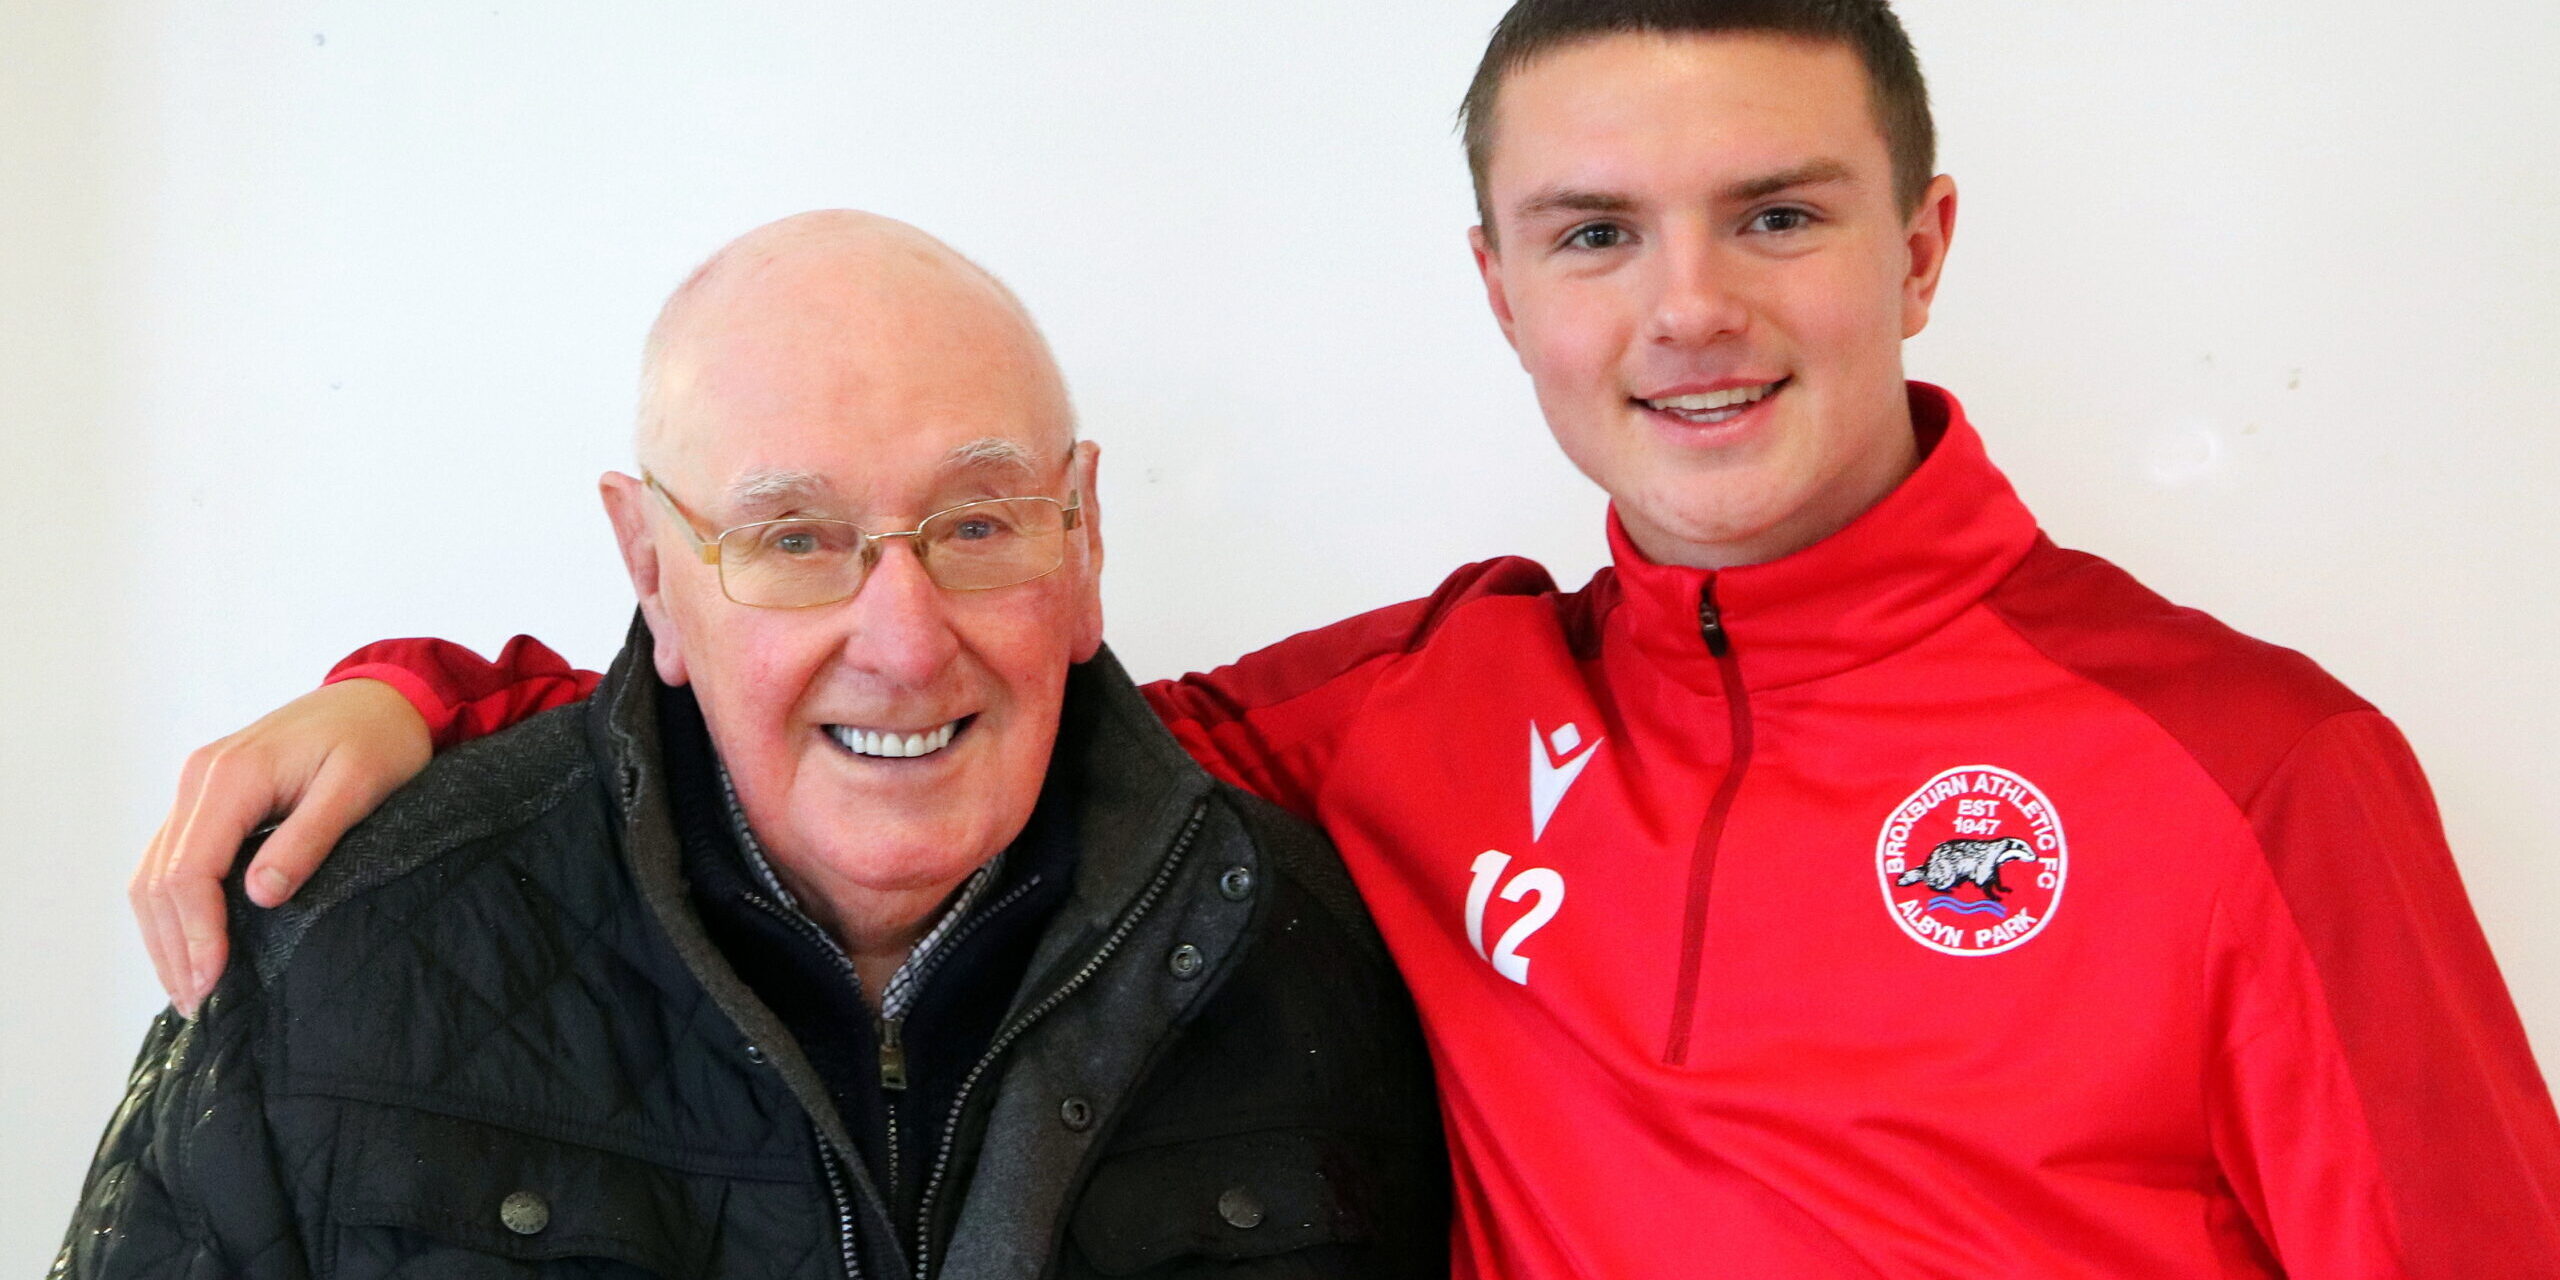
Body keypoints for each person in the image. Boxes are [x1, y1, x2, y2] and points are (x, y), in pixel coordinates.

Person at [125, 1, 2560, 1276]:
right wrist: (423, 693)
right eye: (1595, 232)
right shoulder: (1425, 714)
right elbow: (924, 687)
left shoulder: (2252, 775)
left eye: (1779, 214)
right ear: (1494, 285)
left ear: (1919, 249)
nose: (1688, 308)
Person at [62, 211, 1449, 1278]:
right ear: (652, 569)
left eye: (977, 525)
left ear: (1082, 537)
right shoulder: (336, 956)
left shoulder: (1318, 947)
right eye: (795, 540)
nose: (905, 642)